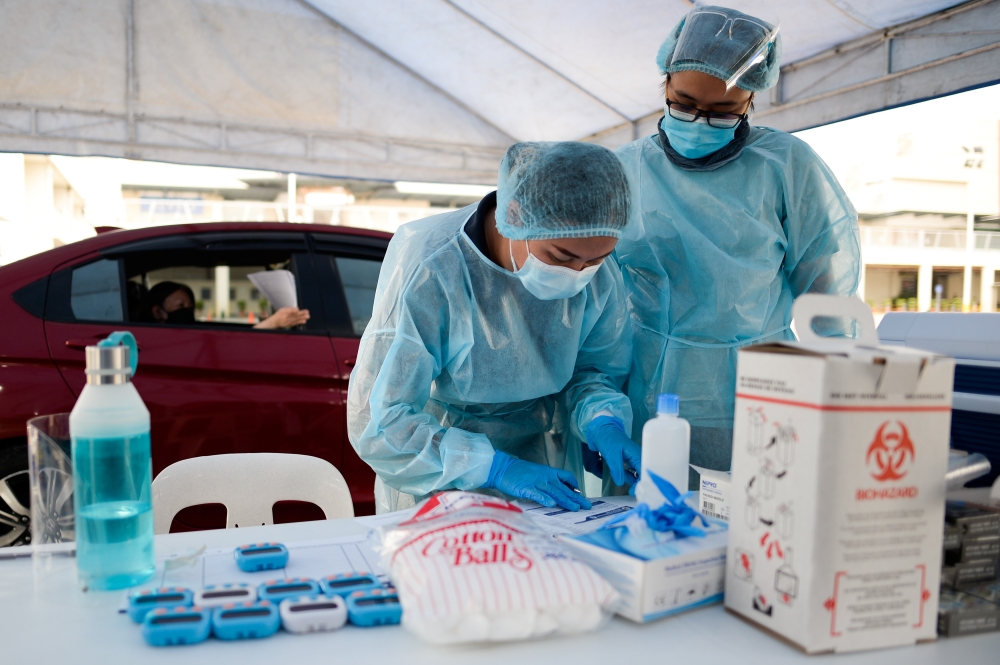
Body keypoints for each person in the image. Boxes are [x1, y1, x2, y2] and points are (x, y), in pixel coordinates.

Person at [614, 6, 861, 487]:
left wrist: (837, 397)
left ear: (751, 100)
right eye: (684, 104)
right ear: (664, 84)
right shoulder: (624, 171)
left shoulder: (786, 166)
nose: (699, 123)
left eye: (723, 112)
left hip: (760, 394)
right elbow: (596, 303)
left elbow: (828, 304)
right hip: (648, 396)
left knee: (757, 529)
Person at [348, 141, 641, 514]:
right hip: (438, 474)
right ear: (515, 216)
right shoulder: (433, 268)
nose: (577, 274)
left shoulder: (597, 274)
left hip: (543, 468)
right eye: (560, 256)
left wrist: (604, 421)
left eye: (595, 259)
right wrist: (492, 466)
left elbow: (592, 371)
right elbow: (382, 421)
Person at [142, 280, 309, 329]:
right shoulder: (167, 342)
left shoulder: (188, 332)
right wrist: (273, 323)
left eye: (190, 306)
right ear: (158, 312)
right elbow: (233, 348)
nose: (187, 311)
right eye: (180, 306)